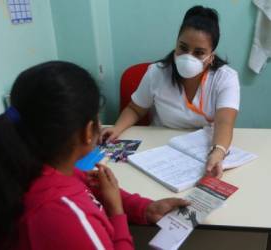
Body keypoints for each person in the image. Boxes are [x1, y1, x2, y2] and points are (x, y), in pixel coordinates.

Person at [0, 61, 189, 250]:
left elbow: (90, 188)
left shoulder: (30, 166)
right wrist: (117, 213)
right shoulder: (63, 215)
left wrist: (144, 208)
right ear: (88, 131)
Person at [100, 6, 240, 178]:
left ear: (211, 56)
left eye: (199, 53)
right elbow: (135, 109)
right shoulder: (157, 72)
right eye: (183, 48)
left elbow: (225, 122)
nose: (188, 57)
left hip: (204, 150)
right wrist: (117, 128)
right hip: (162, 149)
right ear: (176, 44)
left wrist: (218, 152)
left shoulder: (225, 78)